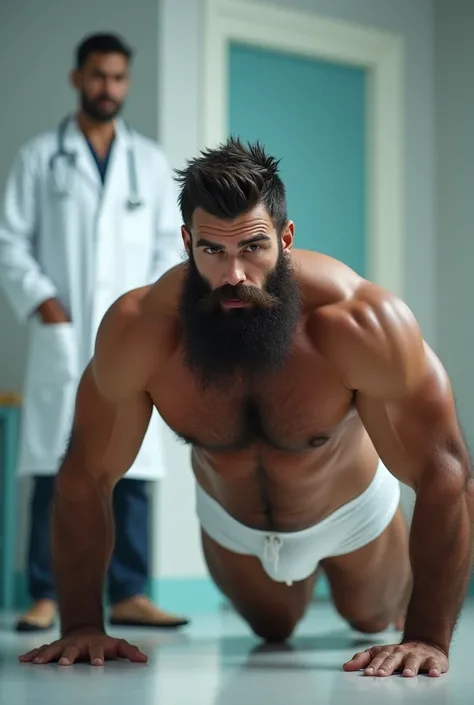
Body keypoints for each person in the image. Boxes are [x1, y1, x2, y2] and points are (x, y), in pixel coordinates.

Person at [18, 138, 473, 677]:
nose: (234, 273)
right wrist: (81, 626)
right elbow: (84, 475)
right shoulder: (142, 330)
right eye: (213, 250)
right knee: (272, 631)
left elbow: (446, 472)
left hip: (351, 516)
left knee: (372, 617)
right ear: (187, 243)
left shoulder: (356, 320)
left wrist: (426, 638)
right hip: (233, 524)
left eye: (253, 247)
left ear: (285, 238)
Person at [0, 32, 188, 630]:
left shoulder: (152, 164)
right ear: (77, 78)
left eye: (118, 78)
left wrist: (155, 313)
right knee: (55, 463)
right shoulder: (38, 157)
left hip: (131, 335)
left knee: (132, 466)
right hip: (65, 332)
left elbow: (169, 247)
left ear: (126, 83)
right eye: (98, 76)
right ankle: (46, 592)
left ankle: (129, 591)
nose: (109, 88)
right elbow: (9, 241)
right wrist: (45, 303)